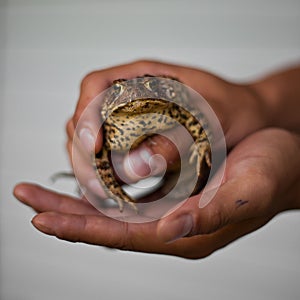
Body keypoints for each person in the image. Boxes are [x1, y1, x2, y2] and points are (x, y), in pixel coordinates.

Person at [14, 60, 300, 259]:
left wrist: (206, 143)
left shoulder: (170, 107)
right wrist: (118, 194)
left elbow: (192, 117)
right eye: (122, 89)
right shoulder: (109, 122)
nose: (138, 92)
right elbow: (99, 154)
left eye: (151, 85)